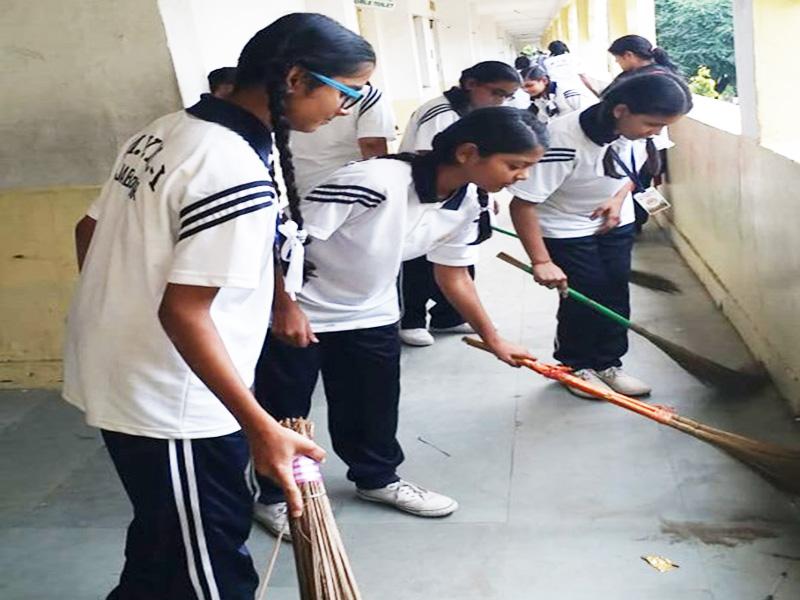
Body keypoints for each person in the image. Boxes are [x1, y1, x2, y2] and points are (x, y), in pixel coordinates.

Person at [63, 13, 375, 600]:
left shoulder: (169, 129)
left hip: (127, 367)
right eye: (347, 91)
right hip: (174, 397)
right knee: (210, 563)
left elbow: (88, 230)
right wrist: (261, 428)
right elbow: (183, 311)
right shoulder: (230, 166)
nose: (346, 108)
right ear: (295, 79)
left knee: (165, 533)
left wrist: (114, 315)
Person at [252, 107, 547, 538]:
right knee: (287, 409)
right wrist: (284, 306)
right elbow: (283, 241)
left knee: (372, 402)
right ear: (468, 153)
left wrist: (494, 338)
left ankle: (377, 479)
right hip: (302, 309)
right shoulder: (371, 182)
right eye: (515, 165)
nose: (521, 176)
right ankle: (276, 494)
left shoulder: (469, 200)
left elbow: (453, 273)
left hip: (371, 311)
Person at [507, 71, 692, 399]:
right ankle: (575, 366)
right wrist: (541, 261)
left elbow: (633, 173)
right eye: (652, 124)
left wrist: (617, 200)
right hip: (564, 227)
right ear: (621, 110)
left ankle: (609, 363)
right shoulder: (561, 140)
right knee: (584, 295)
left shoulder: (637, 133)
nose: (656, 133)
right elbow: (522, 205)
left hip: (613, 221)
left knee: (615, 292)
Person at [398, 61, 521, 347]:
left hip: (459, 195)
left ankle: (448, 315)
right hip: (426, 197)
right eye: (496, 93)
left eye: (506, 97)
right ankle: (411, 319)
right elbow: (433, 160)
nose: (500, 101)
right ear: (470, 84)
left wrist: (482, 194)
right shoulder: (441, 113)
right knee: (418, 261)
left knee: (458, 259)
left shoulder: (475, 114)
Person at [290, 82, 396, 199]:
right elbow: (372, 146)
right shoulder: (368, 95)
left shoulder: (297, 96)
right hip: (351, 192)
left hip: (304, 189)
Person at [543, 40, 599, 106]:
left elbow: (548, 79)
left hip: (559, 91)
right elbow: (583, 76)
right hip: (578, 88)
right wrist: (593, 90)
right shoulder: (574, 58)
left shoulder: (547, 62)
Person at [607, 35, 678, 81]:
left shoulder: (652, 79)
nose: (616, 61)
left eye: (617, 57)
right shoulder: (665, 73)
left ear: (628, 55)